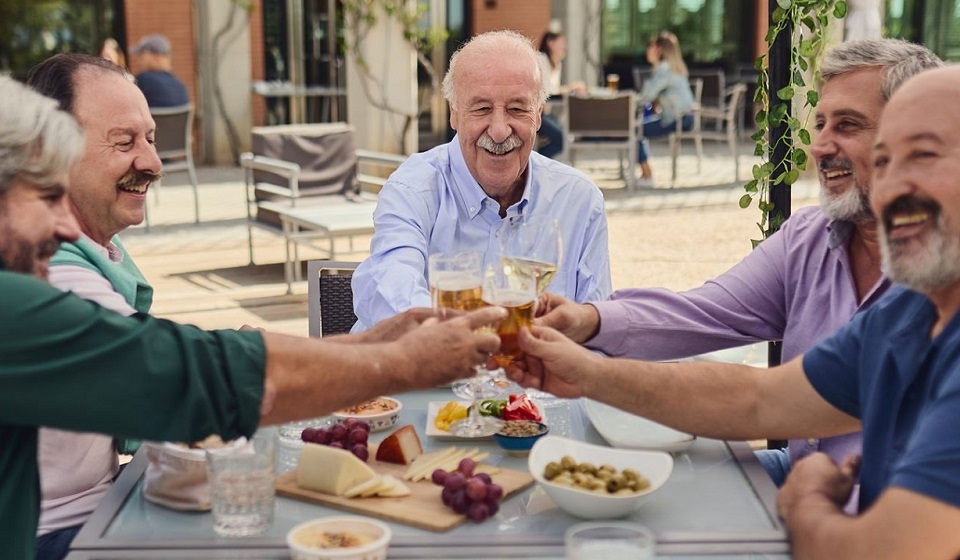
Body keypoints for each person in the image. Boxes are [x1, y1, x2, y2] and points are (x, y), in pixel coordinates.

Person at [0, 74, 506, 560]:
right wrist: (402, 362)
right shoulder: (20, 304)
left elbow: (181, 360)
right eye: (46, 195)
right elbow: (199, 375)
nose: (66, 225)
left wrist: (377, 344)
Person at [510, 64, 960, 559]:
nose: (893, 187)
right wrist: (589, 369)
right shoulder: (907, 316)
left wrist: (807, 500)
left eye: (922, 155)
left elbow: (882, 551)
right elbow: (757, 398)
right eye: (886, 160)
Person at [350, 30, 612, 332]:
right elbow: (391, 284)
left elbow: (597, 330)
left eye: (517, 108)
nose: (500, 131)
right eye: (482, 108)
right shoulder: (413, 189)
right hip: (425, 374)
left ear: (538, 115)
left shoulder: (579, 200)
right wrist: (455, 342)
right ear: (454, 114)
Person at [24, 54, 159, 560]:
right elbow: (177, 388)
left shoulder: (94, 254)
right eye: (124, 142)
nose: (151, 162)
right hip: (50, 536)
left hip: (99, 500)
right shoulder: (56, 270)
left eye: (150, 138)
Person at [634, 31, 696, 187]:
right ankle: (645, 174)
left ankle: (647, 176)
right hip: (685, 117)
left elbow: (645, 97)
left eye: (651, 47)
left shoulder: (664, 70)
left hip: (678, 119)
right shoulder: (674, 68)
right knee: (638, 127)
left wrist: (623, 97)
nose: (648, 50)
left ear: (659, 50)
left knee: (634, 130)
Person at [535, 31, 586, 159]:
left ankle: (537, 160)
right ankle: (534, 161)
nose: (565, 47)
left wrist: (571, 88)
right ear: (550, 43)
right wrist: (571, 87)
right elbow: (547, 91)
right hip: (539, 114)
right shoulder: (541, 60)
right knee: (564, 139)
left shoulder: (557, 64)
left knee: (568, 138)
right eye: (562, 43)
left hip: (548, 114)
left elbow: (555, 90)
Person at [129, 33, 189, 107]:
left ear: (155, 57)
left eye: (141, 56)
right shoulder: (180, 85)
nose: (139, 61)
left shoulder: (143, 79)